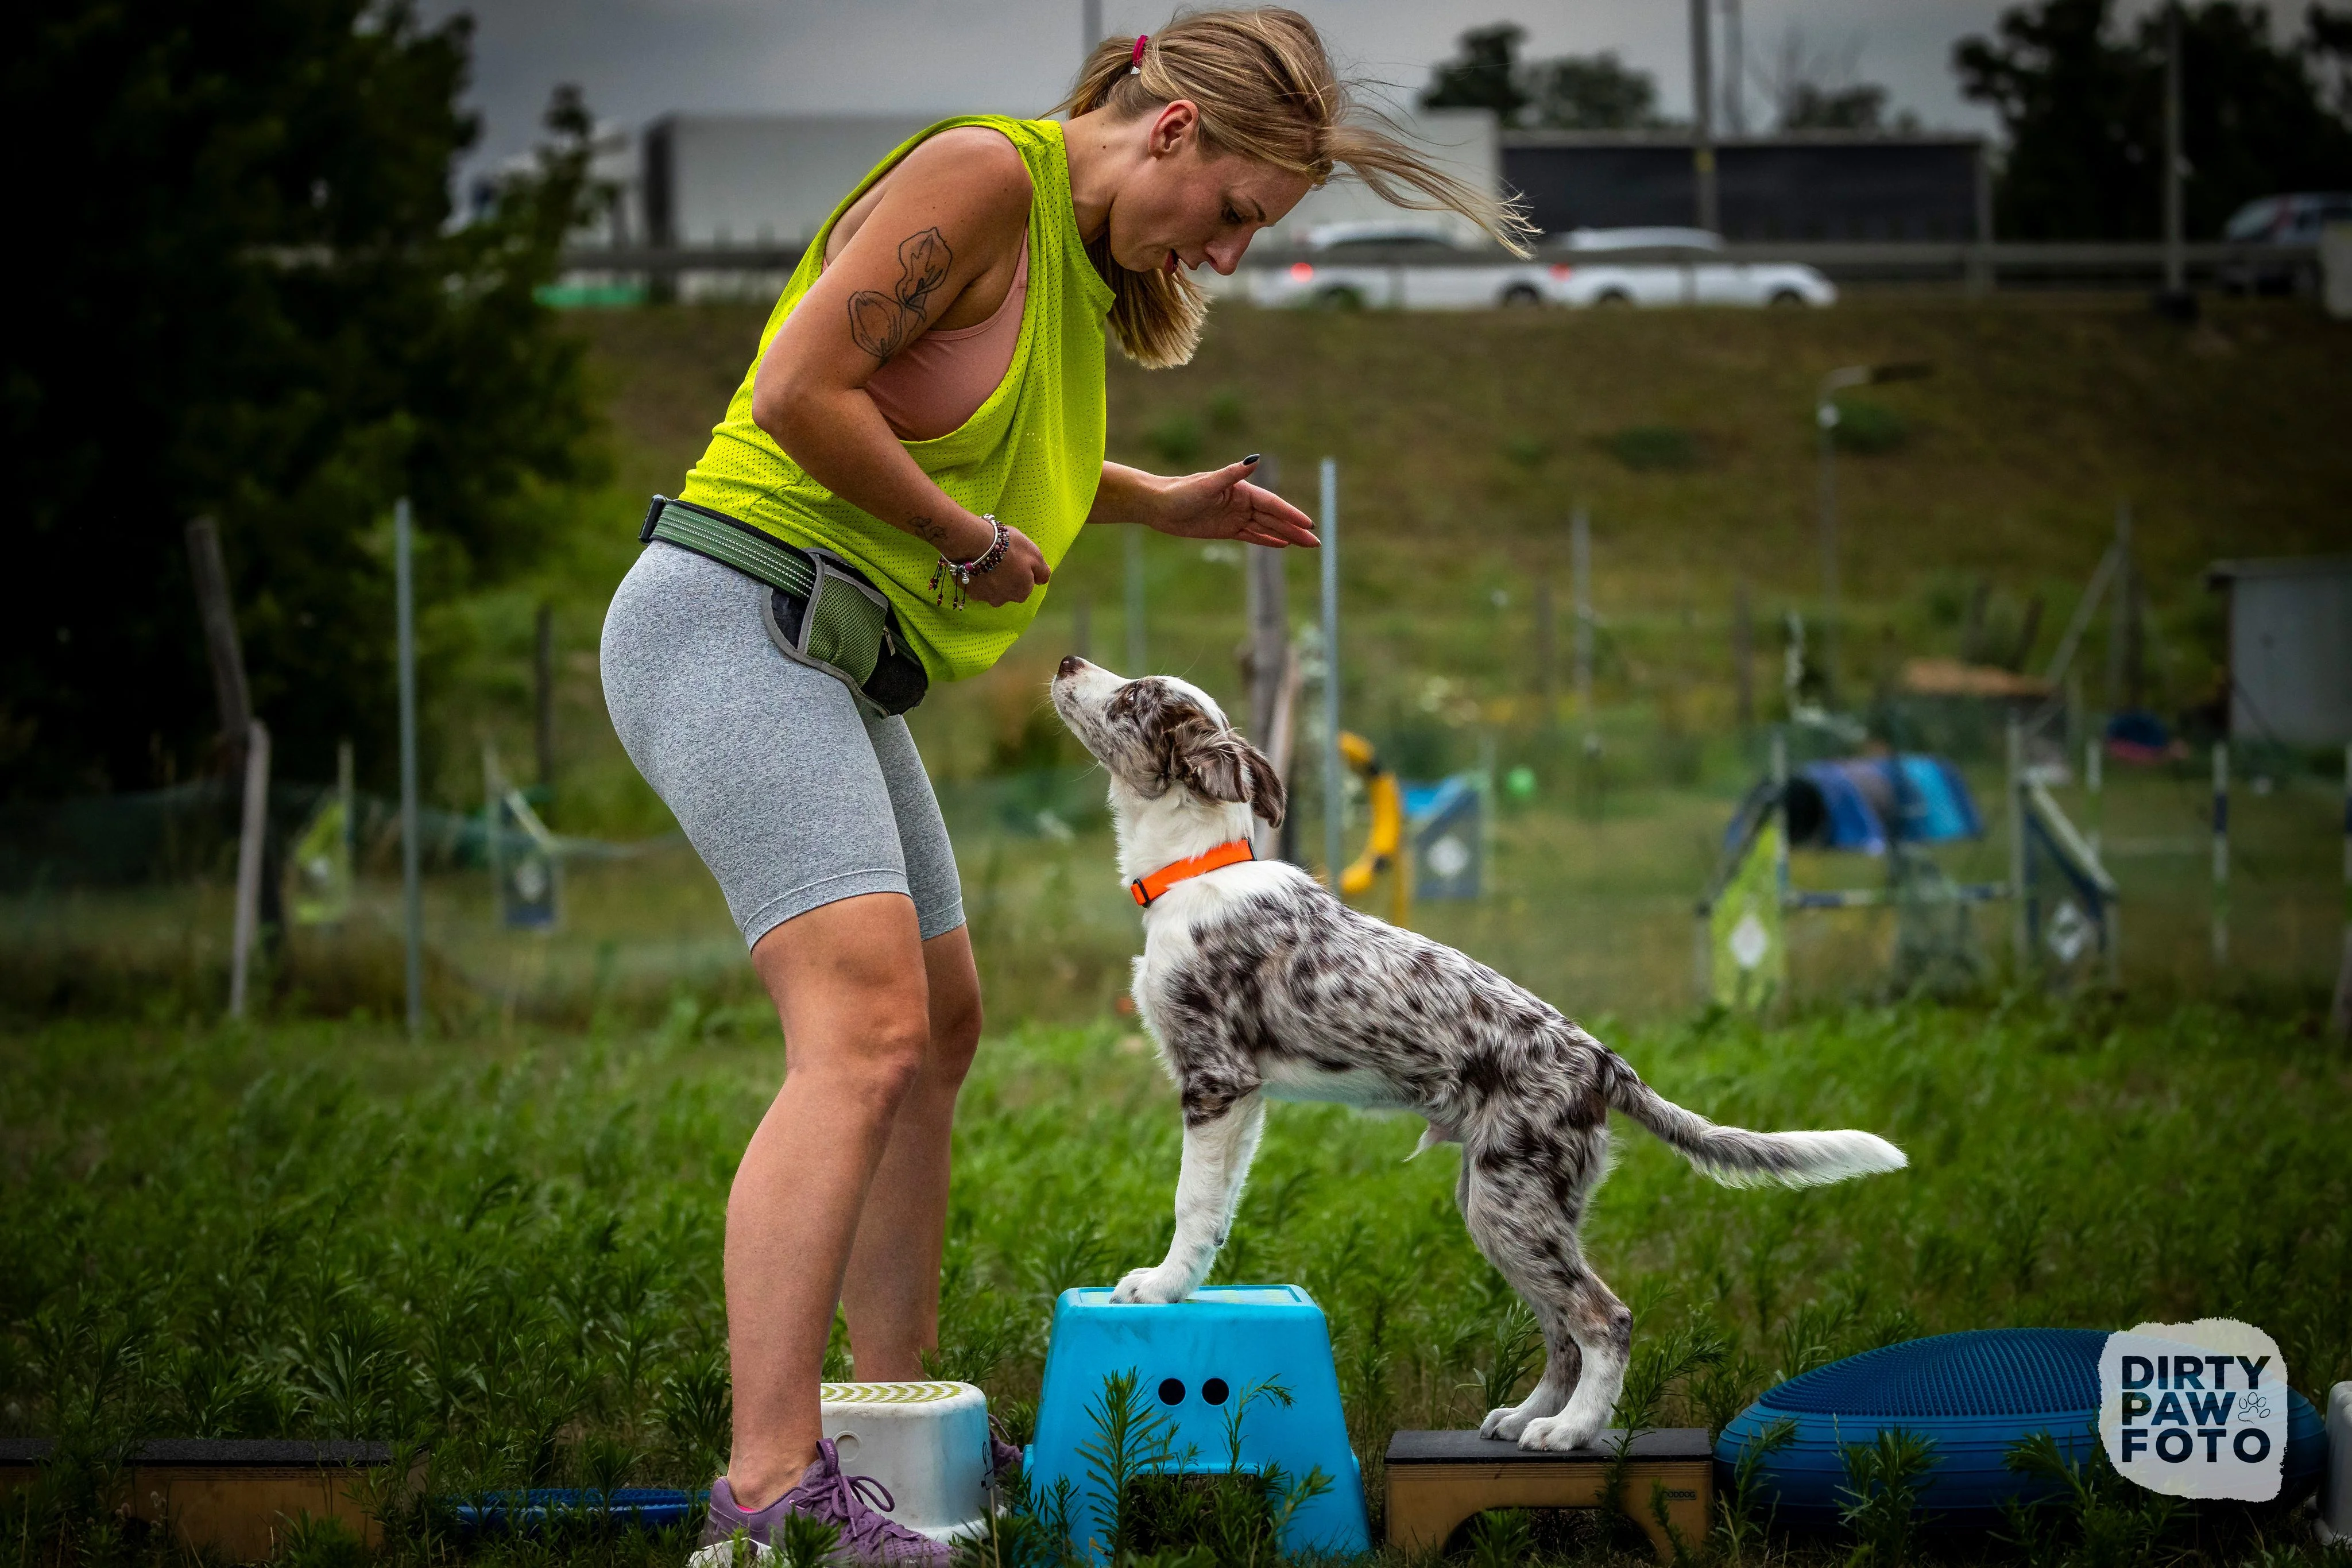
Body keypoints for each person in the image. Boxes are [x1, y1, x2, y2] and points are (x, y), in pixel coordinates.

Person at [598, 9, 1527, 1562]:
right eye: (1232, 213)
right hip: (729, 615)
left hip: (821, 644)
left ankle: (884, 1432)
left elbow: (949, 427)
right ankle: (762, 1504)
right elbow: (803, 395)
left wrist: (1150, 500)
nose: (1225, 257)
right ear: (1172, 130)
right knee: (865, 1030)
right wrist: (969, 546)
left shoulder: (1067, 280)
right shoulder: (982, 180)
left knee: (940, 1023)